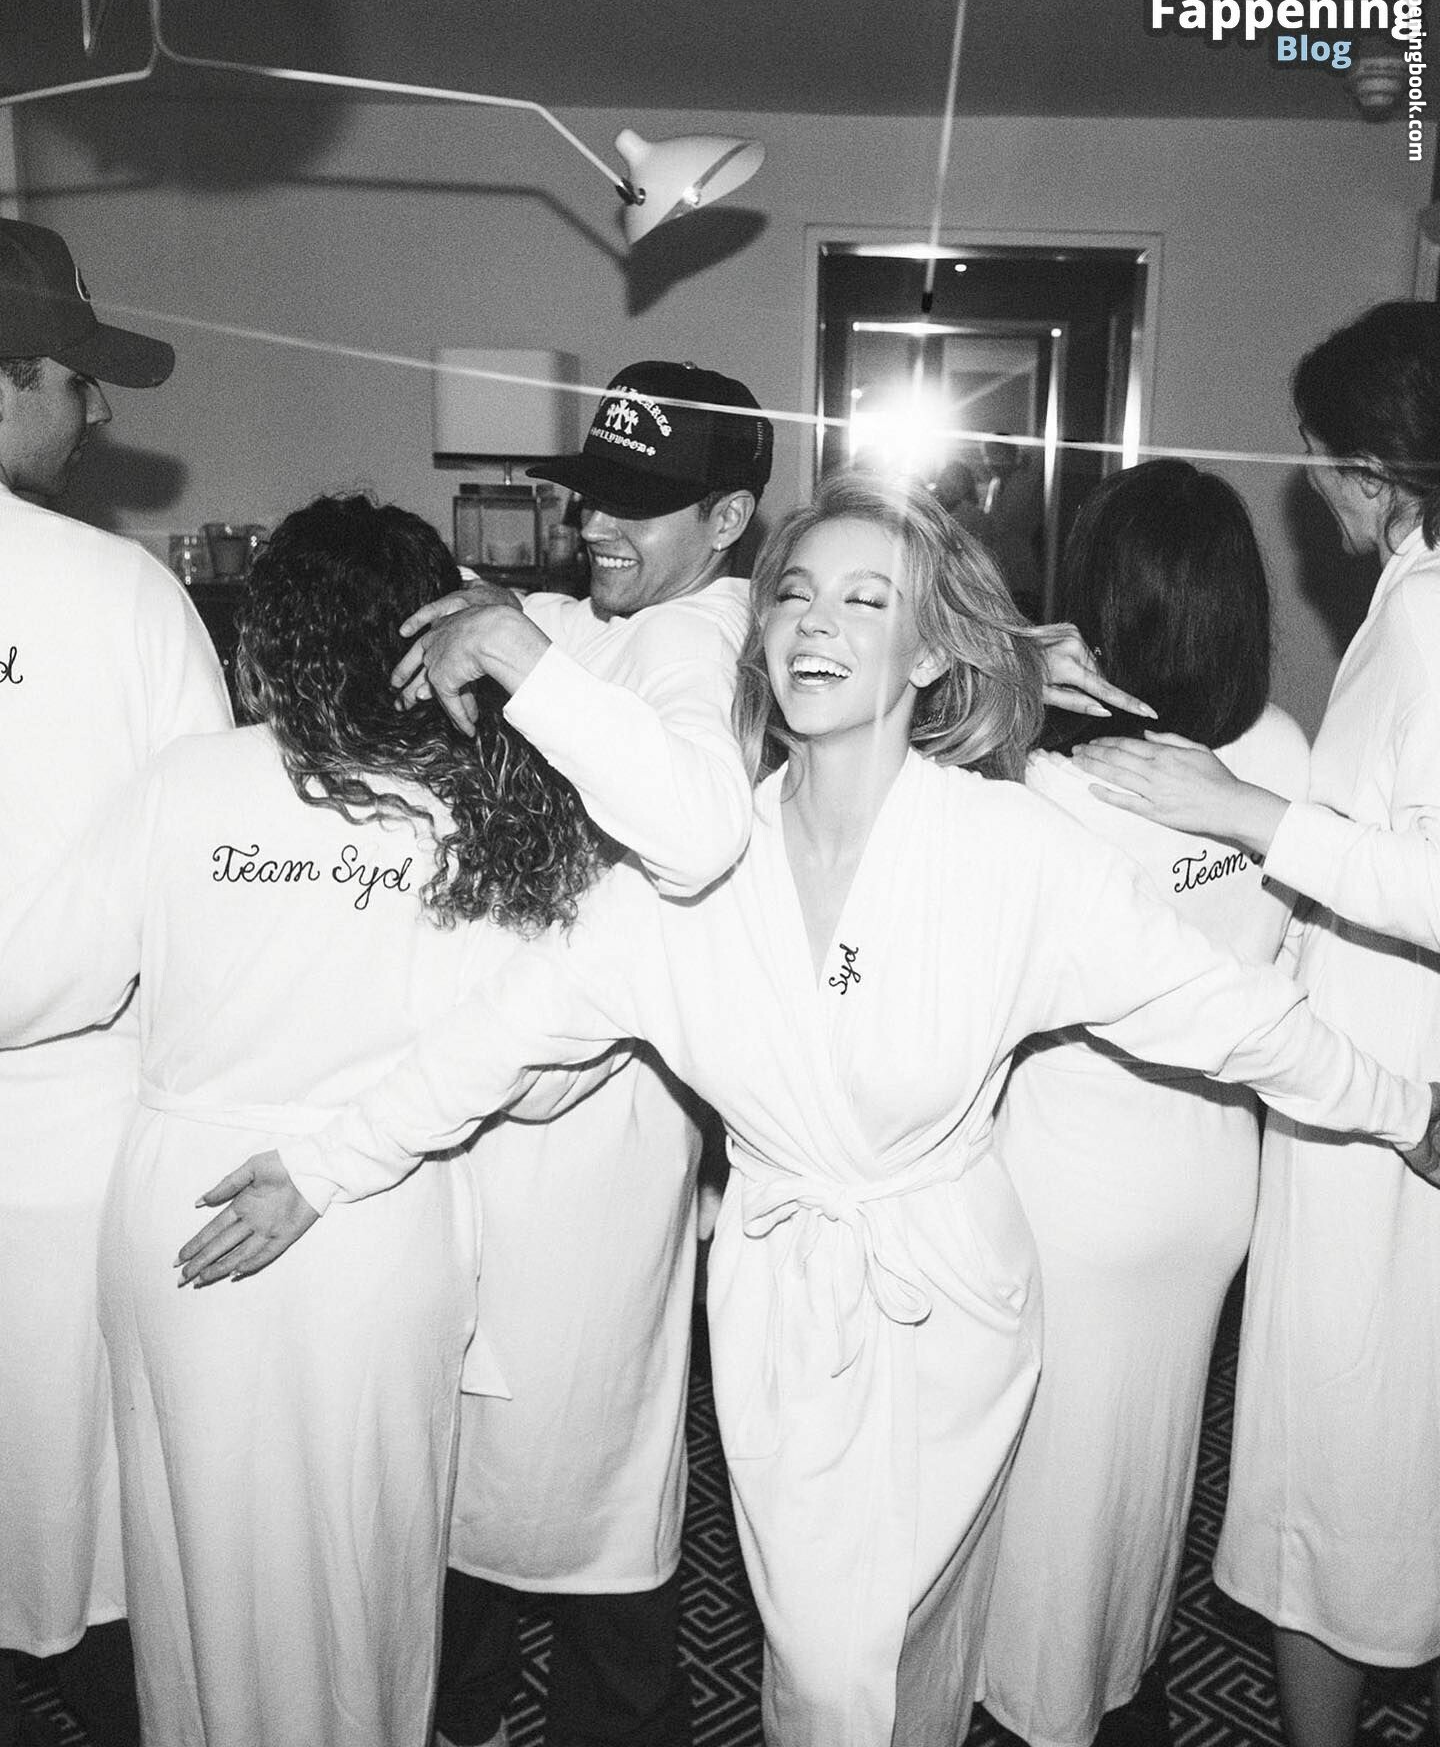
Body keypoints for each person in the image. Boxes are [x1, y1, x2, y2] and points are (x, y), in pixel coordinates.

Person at [184, 473, 1438, 1747]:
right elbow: (495, 1040)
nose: (817, 624)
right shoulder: (684, 887)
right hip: (783, 1316)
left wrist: (1407, 1111)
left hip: (951, 1305)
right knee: (825, 1666)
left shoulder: (1014, 857)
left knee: (898, 1657)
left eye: (866, 599)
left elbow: (1228, 1012)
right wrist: (322, 1166)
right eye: (794, 595)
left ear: (932, 651)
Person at [0, 494, 615, 1747]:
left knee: (186, 1543)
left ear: (264, 639)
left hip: (182, 1201)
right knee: (363, 1554)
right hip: (372, 1215)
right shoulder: (466, 804)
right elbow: (551, 1059)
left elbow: (28, 982)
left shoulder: (184, 782)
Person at [1069, 301, 1440, 1747]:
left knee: (1343, 1463)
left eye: (1323, 463)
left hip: (1387, 1104)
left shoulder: (1427, 621)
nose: (1318, 492)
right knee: (1334, 1461)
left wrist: (1243, 815)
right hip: (1330, 1098)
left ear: (1376, 469)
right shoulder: (1394, 615)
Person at [396, 360, 772, 1747]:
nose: (598, 527)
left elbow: (697, 827)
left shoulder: (706, 640)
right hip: (500, 1088)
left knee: (589, 1460)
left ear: (727, 519)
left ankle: (612, 1715)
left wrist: (520, 652)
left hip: (603, 1114)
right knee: (483, 1449)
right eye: (591, 496)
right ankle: (462, 1697)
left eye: (639, 507)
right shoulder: (600, 617)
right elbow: (531, 626)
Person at [976, 460, 1310, 1747]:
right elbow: (1282, 955)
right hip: (1215, 1173)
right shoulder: (1276, 754)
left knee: (1048, 1475)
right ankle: (1125, 1678)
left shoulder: (1048, 782)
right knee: (1149, 1467)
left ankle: (1044, 1705)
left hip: (1072, 1174)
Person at [0, 218, 232, 1747]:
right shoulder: (125, 596)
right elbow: (213, 876)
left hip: (68, 1113)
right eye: (75, 378)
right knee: (82, 1509)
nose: (95, 412)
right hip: (71, 1129)